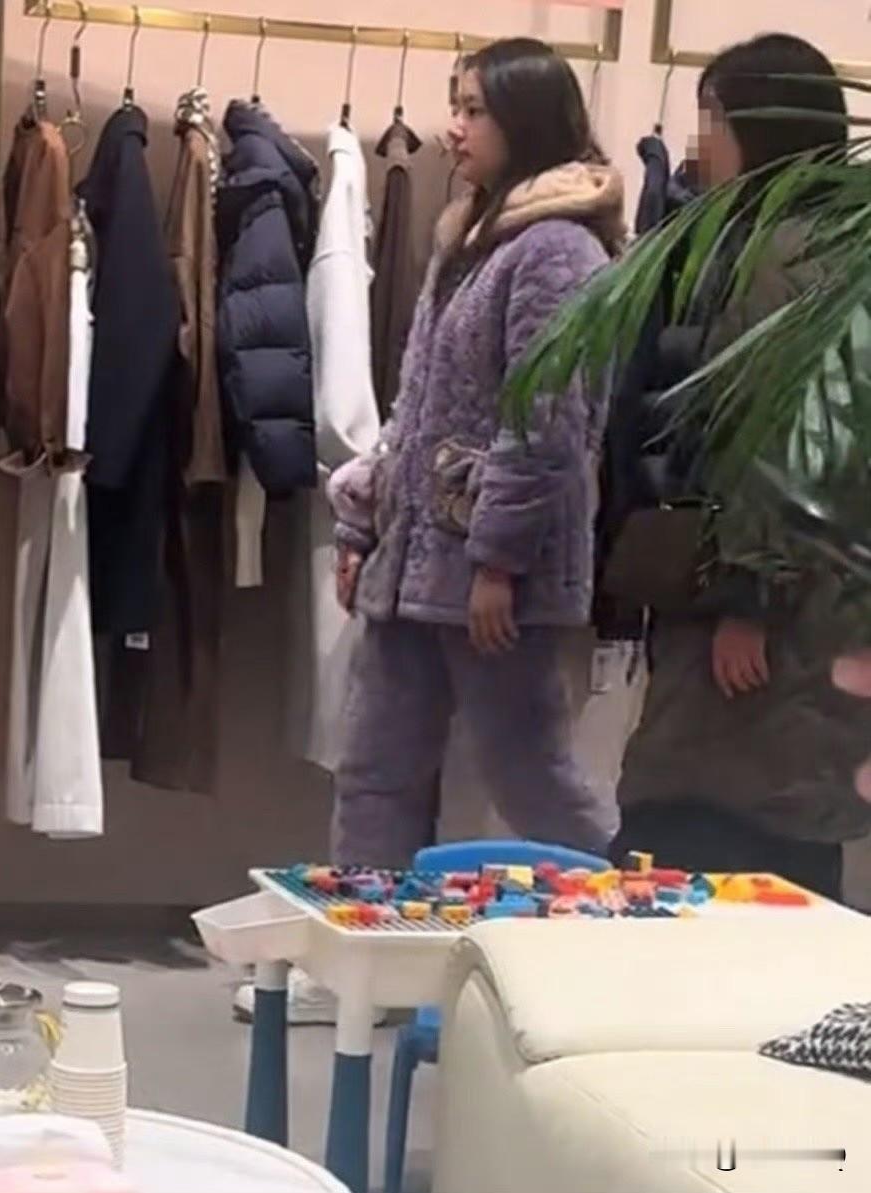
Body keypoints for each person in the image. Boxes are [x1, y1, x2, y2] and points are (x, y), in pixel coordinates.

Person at [233, 37, 625, 1024]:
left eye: (474, 109)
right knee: (378, 768)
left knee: (531, 773)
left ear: (525, 119)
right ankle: (363, 965)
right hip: (416, 561)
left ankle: (623, 940)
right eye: (455, 104)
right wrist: (362, 523)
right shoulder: (473, 235)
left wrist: (498, 558)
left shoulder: (559, 250)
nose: (453, 127)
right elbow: (417, 412)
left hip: (492, 575)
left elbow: (548, 420)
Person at [611, 33, 871, 900]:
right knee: (786, 835)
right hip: (823, 599)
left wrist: (747, 597)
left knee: (702, 839)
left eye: (712, 119)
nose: (700, 147)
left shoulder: (782, 258)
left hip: (769, 608)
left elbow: (785, 440)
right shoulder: (833, 243)